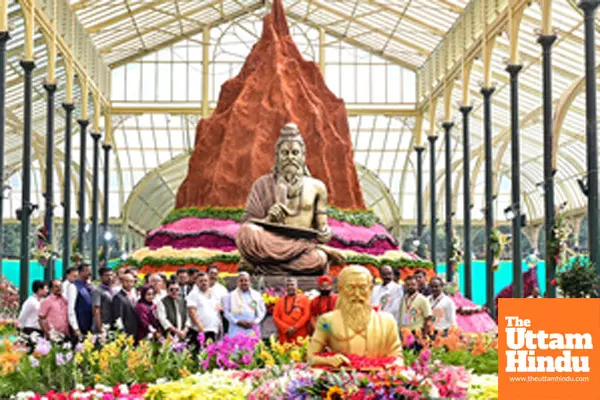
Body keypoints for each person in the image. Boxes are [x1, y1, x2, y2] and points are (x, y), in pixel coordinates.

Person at [235, 123, 342, 275]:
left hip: (300, 246)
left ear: (302, 156)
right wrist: (269, 219)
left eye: (295, 153)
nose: (290, 157)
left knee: (318, 259)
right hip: (271, 240)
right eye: (285, 153)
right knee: (247, 232)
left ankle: (263, 266)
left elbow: (323, 231)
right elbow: (247, 222)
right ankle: (283, 262)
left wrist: (324, 233)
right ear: (277, 156)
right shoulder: (262, 184)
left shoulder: (317, 187)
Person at [307, 265, 403, 368]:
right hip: (339, 380)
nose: (357, 294)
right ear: (340, 289)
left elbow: (398, 358)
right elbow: (310, 357)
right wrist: (328, 360)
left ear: (370, 289)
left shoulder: (387, 321)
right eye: (350, 288)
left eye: (362, 288)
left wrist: (390, 366)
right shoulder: (327, 322)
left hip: (378, 379)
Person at [223, 272, 266, 336]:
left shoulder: (256, 295)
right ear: (237, 282)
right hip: (236, 328)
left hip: (252, 328)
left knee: (253, 345)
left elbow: (262, 310)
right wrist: (237, 322)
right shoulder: (230, 296)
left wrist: (255, 321)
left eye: (246, 280)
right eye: (241, 280)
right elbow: (226, 312)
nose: (244, 283)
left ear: (249, 282)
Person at [186, 272, 221, 348]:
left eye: (205, 280)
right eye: (201, 281)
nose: (204, 283)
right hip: (200, 330)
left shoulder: (214, 294)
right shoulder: (194, 294)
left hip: (212, 329)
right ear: (196, 283)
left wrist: (219, 325)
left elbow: (216, 310)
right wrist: (199, 326)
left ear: (209, 281)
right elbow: (191, 311)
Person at [273, 277, 310, 344]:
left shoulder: (304, 299)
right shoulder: (279, 301)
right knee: (284, 353)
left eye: (292, 285)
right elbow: (276, 317)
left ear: (296, 286)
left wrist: (295, 328)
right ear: (285, 287)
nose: (290, 287)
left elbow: (306, 315)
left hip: (299, 334)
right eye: (288, 285)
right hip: (284, 334)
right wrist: (286, 329)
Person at [399, 276, 432, 349]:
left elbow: (428, 319)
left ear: (417, 285)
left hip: (417, 333)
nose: (410, 287)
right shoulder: (403, 299)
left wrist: (424, 336)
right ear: (405, 286)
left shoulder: (423, 299)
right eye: (408, 285)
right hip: (405, 333)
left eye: (413, 285)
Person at [18, 280, 47, 350]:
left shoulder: (42, 301)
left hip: (40, 330)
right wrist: (20, 328)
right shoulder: (31, 301)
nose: (47, 291)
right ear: (40, 290)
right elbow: (23, 315)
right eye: (45, 289)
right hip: (30, 330)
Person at [68, 264, 93, 339]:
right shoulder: (73, 286)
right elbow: (71, 308)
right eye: (87, 271)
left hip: (89, 325)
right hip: (80, 325)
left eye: (90, 271)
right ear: (80, 272)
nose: (89, 273)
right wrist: (75, 327)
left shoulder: (89, 286)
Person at [111, 272, 138, 338]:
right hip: (126, 333)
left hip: (135, 331)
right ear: (122, 282)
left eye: (131, 281)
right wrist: (122, 332)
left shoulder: (134, 294)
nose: (129, 284)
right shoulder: (118, 297)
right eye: (127, 281)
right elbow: (118, 317)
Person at [207, 264, 229, 334]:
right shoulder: (199, 287)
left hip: (217, 321)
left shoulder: (222, 289)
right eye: (211, 273)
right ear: (206, 274)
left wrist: (221, 308)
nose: (213, 276)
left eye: (215, 274)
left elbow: (227, 306)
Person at [92, 267, 115, 334]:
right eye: (107, 275)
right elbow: (96, 310)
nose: (110, 277)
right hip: (102, 327)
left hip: (111, 325)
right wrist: (100, 328)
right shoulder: (97, 291)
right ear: (101, 277)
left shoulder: (113, 289)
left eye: (111, 275)